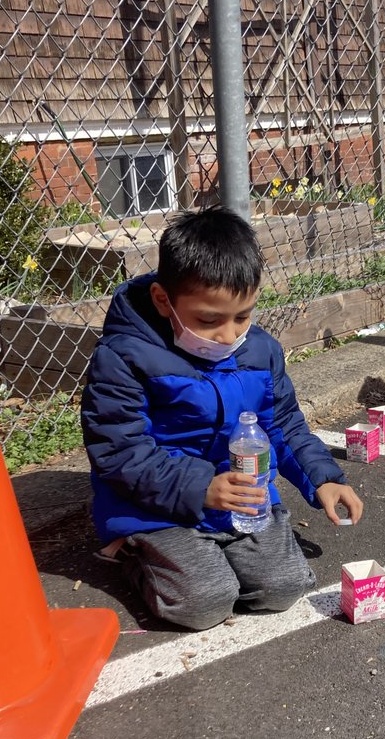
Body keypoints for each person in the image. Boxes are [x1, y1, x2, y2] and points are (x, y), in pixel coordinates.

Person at [81, 206, 363, 630]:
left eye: (243, 316)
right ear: (163, 301)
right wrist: (199, 488)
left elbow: (282, 422)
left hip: (239, 499)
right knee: (204, 604)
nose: (229, 335)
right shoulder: (123, 358)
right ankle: (133, 551)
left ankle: (215, 553)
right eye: (209, 320)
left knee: (283, 588)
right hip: (157, 506)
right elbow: (120, 452)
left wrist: (322, 476)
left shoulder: (259, 351)